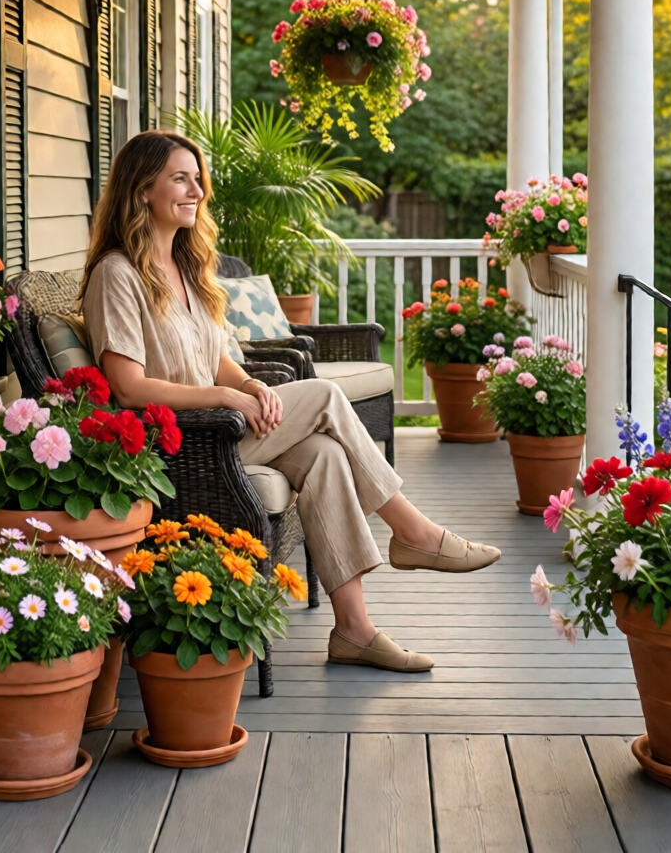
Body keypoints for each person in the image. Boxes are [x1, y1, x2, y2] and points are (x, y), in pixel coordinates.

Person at [78, 131, 501, 672]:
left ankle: (354, 630)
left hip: (219, 423)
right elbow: (128, 388)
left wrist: (250, 385)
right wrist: (229, 394)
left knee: (324, 455)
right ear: (141, 190)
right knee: (324, 393)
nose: (196, 191)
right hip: (177, 440)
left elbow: (214, 359)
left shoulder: (185, 267)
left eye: (196, 179)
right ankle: (414, 532)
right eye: (179, 179)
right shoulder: (118, 275)